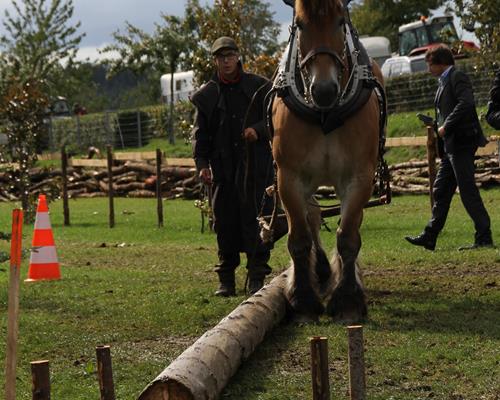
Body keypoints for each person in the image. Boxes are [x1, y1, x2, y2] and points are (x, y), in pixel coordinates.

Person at [190, 36, 274, 296]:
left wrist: (257, 131)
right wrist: (202, 164)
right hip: (223, 170)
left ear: (238, 57)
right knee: (224, 223)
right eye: (220, 57)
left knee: (256, 220)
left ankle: (257, 275)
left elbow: (275, 118)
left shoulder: (260, 87)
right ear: (215, 61)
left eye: (230, 56)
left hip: (256, 168)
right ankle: (226, 280)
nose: (226, 61)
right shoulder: (207, 96)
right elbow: (200, 135)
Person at [405, 44, 494, 251]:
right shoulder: (443, 82)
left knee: (467, 191)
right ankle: (430, 235)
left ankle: (484, 237)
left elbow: (466, 103)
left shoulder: (457, 77)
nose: (429, 70)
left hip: (462, 142)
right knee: (441, 189)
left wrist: (446, 126)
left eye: (430, 65)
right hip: (451, 146)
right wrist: (437, 126)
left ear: (441, 63)